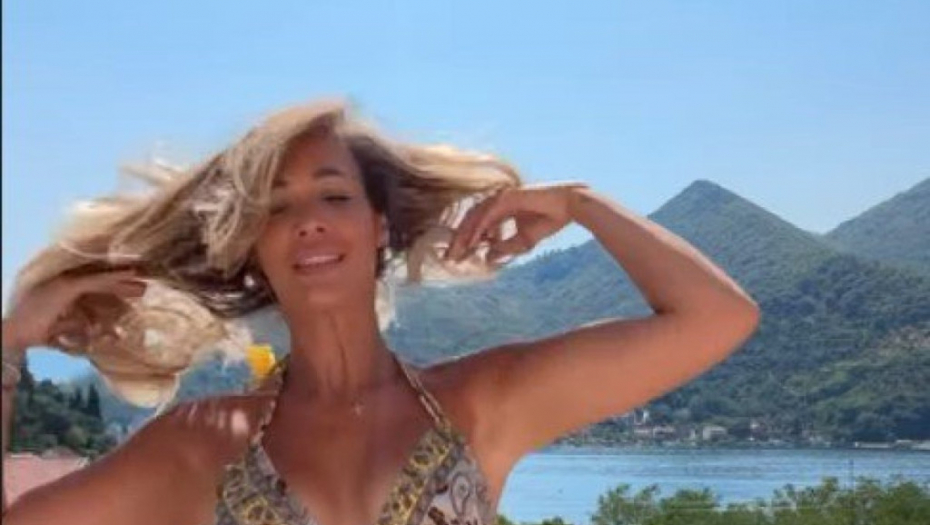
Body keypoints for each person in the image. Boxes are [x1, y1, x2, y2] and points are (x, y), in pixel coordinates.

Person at [1, 99, 760, 525]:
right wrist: (10, 343)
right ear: (252, 247)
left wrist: (582, 203)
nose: (308, 221)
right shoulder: (199, 444)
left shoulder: (482, 402)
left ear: (379, 229)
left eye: (334, 195)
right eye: (277, 207)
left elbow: (717, 317)